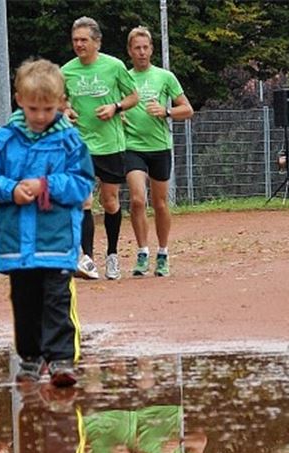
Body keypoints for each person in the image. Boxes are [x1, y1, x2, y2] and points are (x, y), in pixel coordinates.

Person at [0, 59, 94, 387]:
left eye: (48, 108)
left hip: (56, 240)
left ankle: (60, 360)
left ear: (61, 104)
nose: (40, 116)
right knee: (24, 300)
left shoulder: (70, 140)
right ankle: (29, 357)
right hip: (17, 243)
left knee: (57, 299)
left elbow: (83, 183)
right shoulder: (4, 139)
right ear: (18, 100)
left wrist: (47, 185)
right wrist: (11, 189)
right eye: (33, 108)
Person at [61, 16, 139, 281]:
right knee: (83, 200)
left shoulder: (114, 66)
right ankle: (87, 259)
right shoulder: (66, 71)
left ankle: (113, 254)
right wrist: (67, 109)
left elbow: (133, 96)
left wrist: (115, 107)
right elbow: (60, 101)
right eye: (75, 40)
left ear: (97, 42)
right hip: (80, 144)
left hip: (111, 144)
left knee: (110, 201)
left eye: (84, 40)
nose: (79, 45)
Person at [123, 26, 193, 278]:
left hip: (160, 147)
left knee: (160, 203)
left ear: (151, 49)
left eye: (145, 47)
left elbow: (188, 109)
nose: (142, 52)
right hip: (132, 147)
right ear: (130, 51)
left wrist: (167, 111)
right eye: (137, 48)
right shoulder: (124, 77)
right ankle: (142, 251)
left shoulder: (165, 77)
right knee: (137, 199)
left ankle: (162, 252)